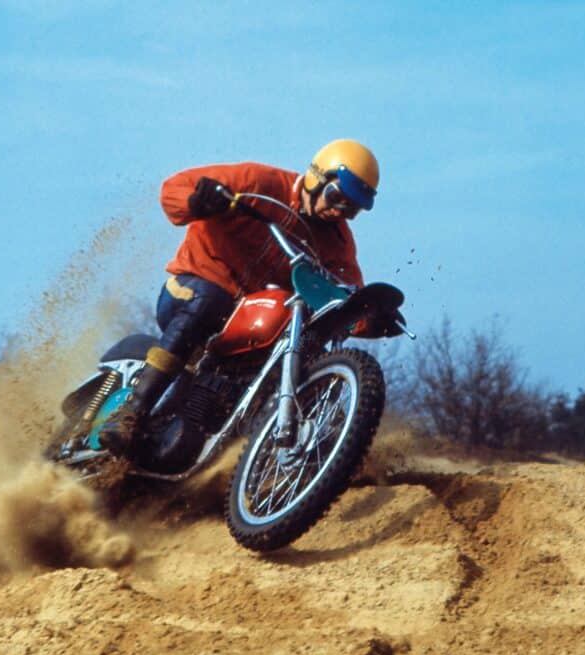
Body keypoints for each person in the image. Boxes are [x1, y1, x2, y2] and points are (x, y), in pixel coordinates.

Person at [97, 139, 380, 455]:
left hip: (251, 321)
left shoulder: (337, 242)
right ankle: (131, 413)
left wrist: (368, 315)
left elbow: (347, 293)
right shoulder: (260, 183)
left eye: (350, 209)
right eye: (335, 197)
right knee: (211, 300)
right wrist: (197, 201)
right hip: (193, 289)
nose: (337, 211)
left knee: (302, 346)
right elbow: (174, 188)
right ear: (317, 177)